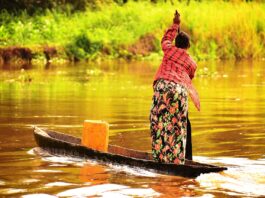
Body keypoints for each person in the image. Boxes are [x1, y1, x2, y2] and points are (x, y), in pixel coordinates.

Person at [150, 10, 200, 164]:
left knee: (159, 123)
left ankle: (161, 158)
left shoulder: (169, 49)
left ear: (176, 44)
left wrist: (175, 24)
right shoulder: (192, 63)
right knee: (178, 127)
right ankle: (177, 161)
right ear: (188, 46)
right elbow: (188, 79)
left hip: (163, 88)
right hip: (179, 92)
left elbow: (166, 39)